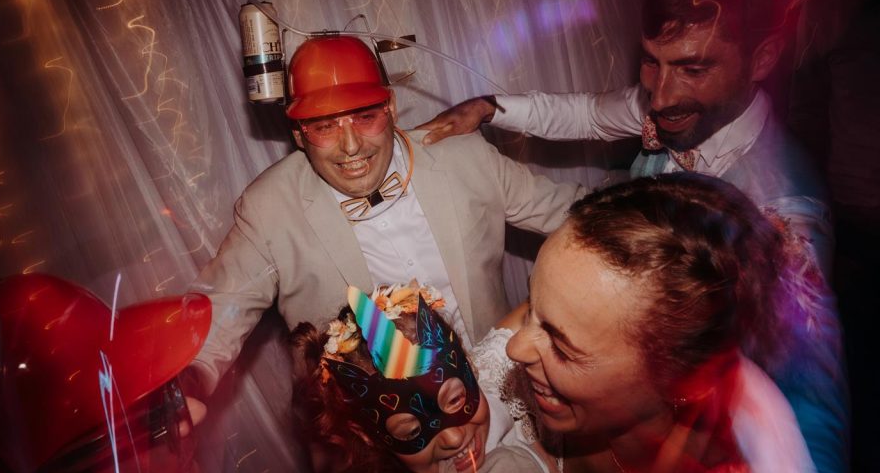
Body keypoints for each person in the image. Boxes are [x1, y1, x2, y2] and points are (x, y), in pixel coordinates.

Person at [416, 0, 851, 473]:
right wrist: (491, 107)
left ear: (764, 57)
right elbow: (588, 111)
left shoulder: (783, 215)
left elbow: (812, 397)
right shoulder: (675, 103)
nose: (660, 93)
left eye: (692, 67)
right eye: (652, 60)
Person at [181, 35, 584, 424]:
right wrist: (190, 383)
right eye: (325, 126)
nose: (351, 146)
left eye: (365, 116)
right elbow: (219, 308)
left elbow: (572, 214)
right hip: (382, 442)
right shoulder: (268, 209)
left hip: (501, 401)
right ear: (299, 135)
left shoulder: (466, 156)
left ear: (390, 107)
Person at [502, 173, 867, 473]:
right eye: (533, 307)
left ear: (680, 382)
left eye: (562, 349)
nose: (514, 347)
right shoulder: (568, 313)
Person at [290, 282, 567, 473]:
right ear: (369, 438)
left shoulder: (484, 386)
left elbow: (529, 312)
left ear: (472, 368)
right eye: (412, 432)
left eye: (454, 399)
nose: (451, 437)